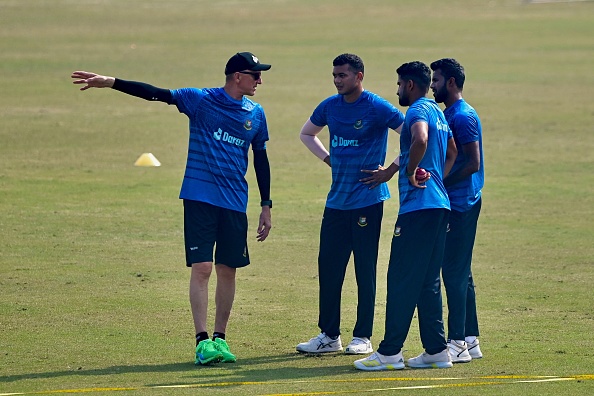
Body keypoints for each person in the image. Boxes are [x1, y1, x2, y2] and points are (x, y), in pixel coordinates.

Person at [71, 52, 273, 366]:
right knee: (203, 268)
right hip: (200, 197)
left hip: (235, 202)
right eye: (255, 74)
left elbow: (260, 159)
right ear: (237, 76)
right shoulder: (201, 100)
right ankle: (201, 341)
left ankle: (221, 339)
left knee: (228, 270)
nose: (259, 80)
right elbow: (156, 93)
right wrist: (111, 83)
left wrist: (266, 205)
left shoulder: (256, 114)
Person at [296, 53, 405, 355]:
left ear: (359, 77)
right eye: (334, 75)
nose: (337, 80)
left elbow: (413, 135)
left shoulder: (377, 106)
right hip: (336, 203)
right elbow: (306, 133)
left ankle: (363, 336)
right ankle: (329, 336)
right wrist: (329, 159)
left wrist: (389, 171)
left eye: (342, 75)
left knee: (364, 269)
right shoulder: (329, 106)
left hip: (367, 203)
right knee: (329, 268)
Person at [354, 61, 457, 371]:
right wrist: (397, 170)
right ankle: (437, 350)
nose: (397, 89)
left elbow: (420, 139)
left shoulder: (416, 112)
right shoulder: (437, 111)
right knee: (427, 281)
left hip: (419, 209)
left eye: (399, 84)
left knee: (400, 278)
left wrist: (411, 172)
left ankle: (389, 353)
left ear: (410, 85)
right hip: (440, 206)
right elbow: (451, 151)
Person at [430, 58, 484, 363]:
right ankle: (471, 338)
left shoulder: (462, 117)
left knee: (453, 272)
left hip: (461, 204)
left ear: (451, 82)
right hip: (459, 201)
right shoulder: (451, 113)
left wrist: (440, 180)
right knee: (462, 273)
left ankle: (457, 343)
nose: (433, 85)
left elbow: (472, 162)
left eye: (436, 80)